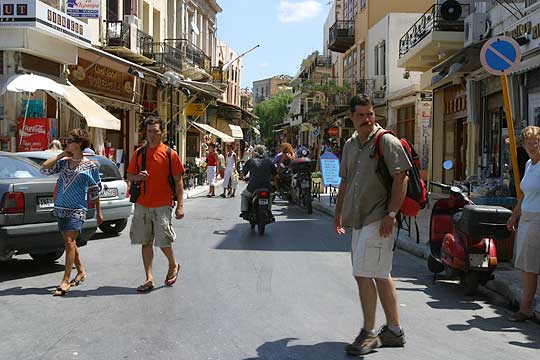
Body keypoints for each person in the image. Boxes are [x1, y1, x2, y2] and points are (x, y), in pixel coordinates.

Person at [334, 95, 411, 356]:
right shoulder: (350, 144)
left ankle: (368, 333)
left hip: (379, 219)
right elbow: (345, 181)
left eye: (370, 114)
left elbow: (402, 177)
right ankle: (394, 330)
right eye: (361, 115)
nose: (367, 119)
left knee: (363, 274)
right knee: (378, 273)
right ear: (352, 118)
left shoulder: (385, 140)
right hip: (358, 218)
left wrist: (391, 213)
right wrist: (338, 214)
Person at [41, 129, 103, 296]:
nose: (66, 142)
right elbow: (44, 169)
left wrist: (98, 212)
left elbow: (95, 190)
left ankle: (66, 280)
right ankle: (81, 270)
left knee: (69, 242)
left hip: (77, 209)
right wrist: (61, 155)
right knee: (71, 243)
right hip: (60, 208)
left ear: (79, 143)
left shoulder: (91, 165)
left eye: (69, 140)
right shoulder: (64, 162)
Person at [127, 116, 185, 293]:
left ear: (163, 133)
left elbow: (178, 181)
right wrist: (139, 177)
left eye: (155, 131)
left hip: (162, 203)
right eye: (149, 131)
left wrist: (180, 205)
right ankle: (149, 278)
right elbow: (129, 176)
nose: (151, 135)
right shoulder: (139, 153)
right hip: (143, 203)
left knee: (163, 241)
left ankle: (173, 264)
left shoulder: (170, 154)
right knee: (145, 242)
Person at [507, 125, 540, 322]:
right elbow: (525, 195)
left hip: (538, 218)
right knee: (527, 265)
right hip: (527, 218)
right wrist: (514, 216)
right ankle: (526, 307)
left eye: (535, 143)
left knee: (530, 266)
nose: (531, 147)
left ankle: (526, 308)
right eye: (528, 144)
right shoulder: (529, 164)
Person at [240, 145, 276, 217]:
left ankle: (244, 211)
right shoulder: (269, 161)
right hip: (266, 186)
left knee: (244, 195)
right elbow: (275, 174)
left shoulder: (250, 161)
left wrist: (242, 177)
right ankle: (269, 211)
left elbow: (243, 174)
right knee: (270, 195)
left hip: (253, 187)